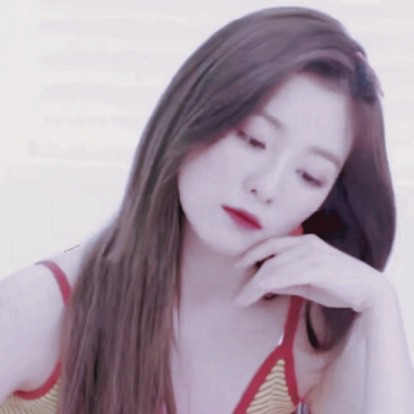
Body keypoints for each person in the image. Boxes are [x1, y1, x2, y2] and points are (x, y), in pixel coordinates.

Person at [0, 6, 413, 414]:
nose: (266, 186)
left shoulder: (313, 335)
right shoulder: (36, 309)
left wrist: (381, 303)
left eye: (309, 175)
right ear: (193, 116)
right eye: (253, 139)